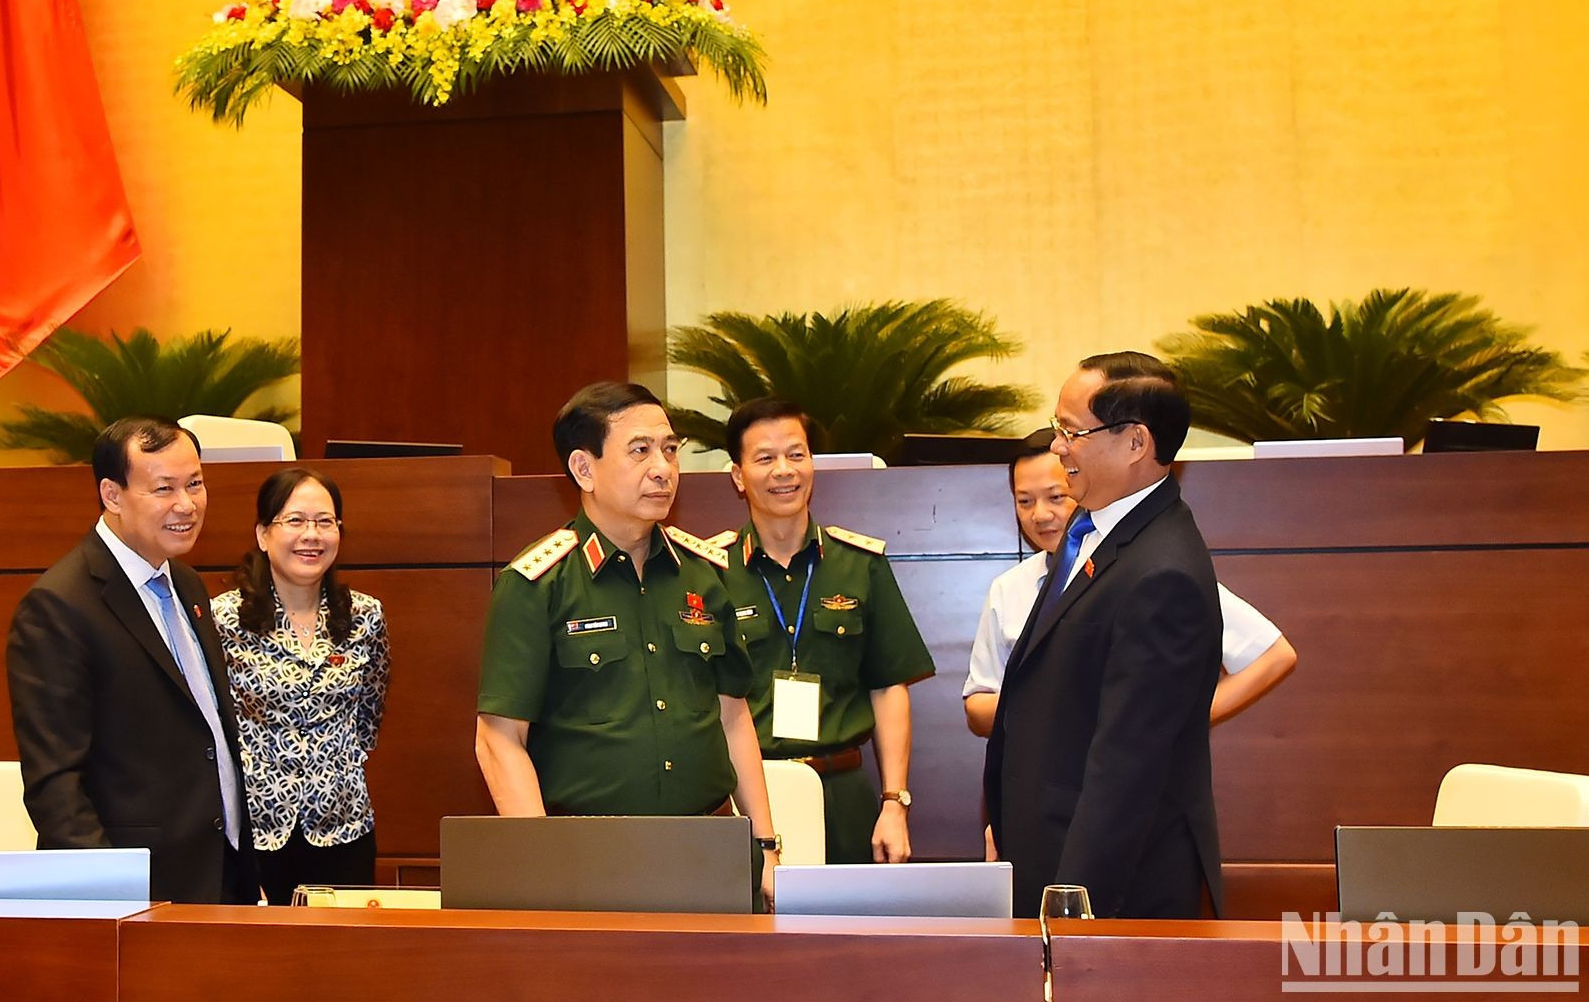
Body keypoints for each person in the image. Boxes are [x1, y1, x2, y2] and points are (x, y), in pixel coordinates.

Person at [475, 381, 779, 904]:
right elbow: (498, 740)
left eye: (670, 450)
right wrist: (540, 867)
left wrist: (766, 846)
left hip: (711, 850)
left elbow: (733, 716)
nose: (663, 468)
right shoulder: (537, 584)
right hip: (590, 860)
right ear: (583, 469)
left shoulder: (705, 573)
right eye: (640, 451)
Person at [982, 353, 1224, 918]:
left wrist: (1072, 902)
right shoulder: (1090, 526)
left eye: (1072, 432)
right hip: (1047, 848)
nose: (1058, 447)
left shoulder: (1164, 572)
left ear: (1135, 442)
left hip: (1108, 888)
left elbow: (1127, 768)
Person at [6, 417, 257, 904]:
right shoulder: (59, 606)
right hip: (137, 893)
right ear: (112, 495)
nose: (186, 505)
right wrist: (112, 895)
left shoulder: (187, 584)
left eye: (195, 484)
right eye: (164, 488)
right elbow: (55, 786)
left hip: (218, 876)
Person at [709, 397, 935, 864]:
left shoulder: (860, 564)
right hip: (745, 794)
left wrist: (895, 802)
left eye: (796, 454)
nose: (784, 470)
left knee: (846, 914)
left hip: (841, 791)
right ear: (738, 476)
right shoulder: (709, 572)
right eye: (765, 458)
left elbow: (888, 686)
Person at [963, 430, 1297, 738]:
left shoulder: (1139, 565)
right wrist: (1049, 707)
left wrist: (1174, 725)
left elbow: (1273, 656)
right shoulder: (1009, 588)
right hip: (1035, 777)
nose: (1040, 515)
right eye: (1024, 501)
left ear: (1082, 487)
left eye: (1056, 496)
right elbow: (978, 709)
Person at [213, 468, 390, 906]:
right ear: (263, 534)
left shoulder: (365, 616)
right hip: (254, 831)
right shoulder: (222, 620)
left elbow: (368, 716)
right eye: (295, 521)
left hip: (343, 827)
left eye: (325, 522)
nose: (311, 535)